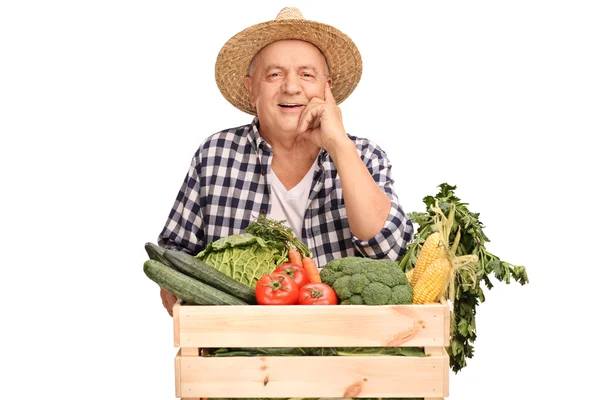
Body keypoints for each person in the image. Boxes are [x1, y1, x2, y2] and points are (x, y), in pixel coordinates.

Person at [156, 7, 414, 316]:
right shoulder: (215, 155)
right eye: (274, 75)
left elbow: (390, 253)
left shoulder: (365, 155)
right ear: (252, 88)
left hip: (346, 350)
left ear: (327, 89)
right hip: (240, 349)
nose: (291, 87)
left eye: (307, 75)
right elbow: (174, 254)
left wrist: (339, 146)